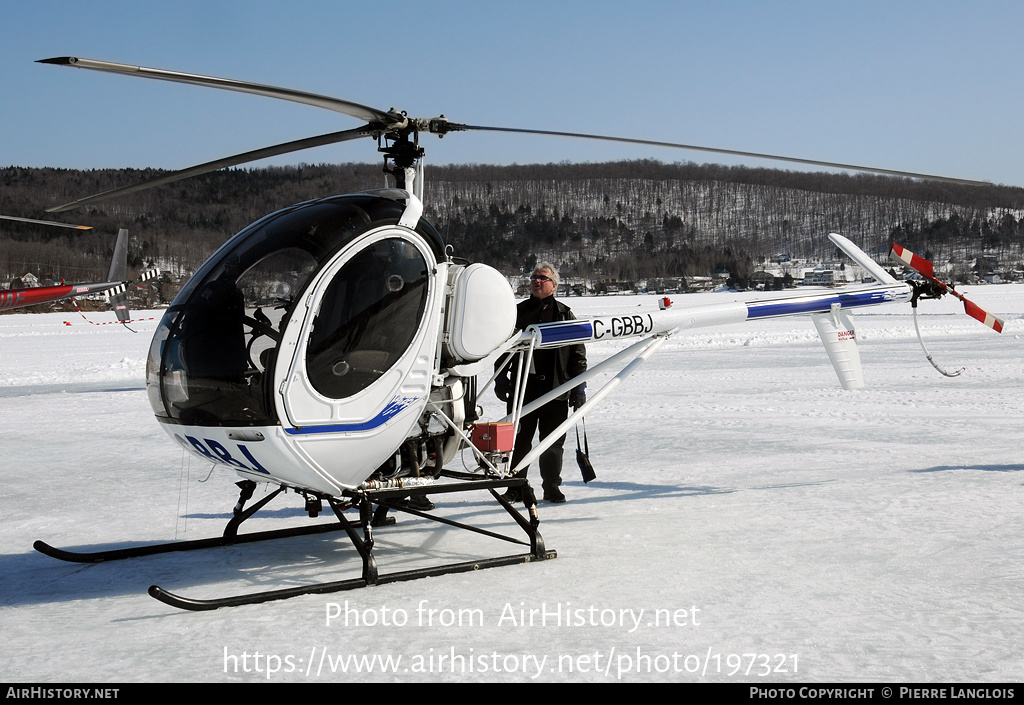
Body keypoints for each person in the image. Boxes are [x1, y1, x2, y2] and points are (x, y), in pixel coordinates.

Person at [494, 263, 587, 503]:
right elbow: (504, 349)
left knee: (553, 441)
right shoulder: (519, 312)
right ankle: (516, 485)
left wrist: (578, 388)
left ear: (554, 285)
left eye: (542, 278)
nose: (536, 281)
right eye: (534, 277)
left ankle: (551, 487)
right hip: (524, 387)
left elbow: (578, 354)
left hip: (557, 388)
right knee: (520, 439)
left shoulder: (564, 314)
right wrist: (501, 377)